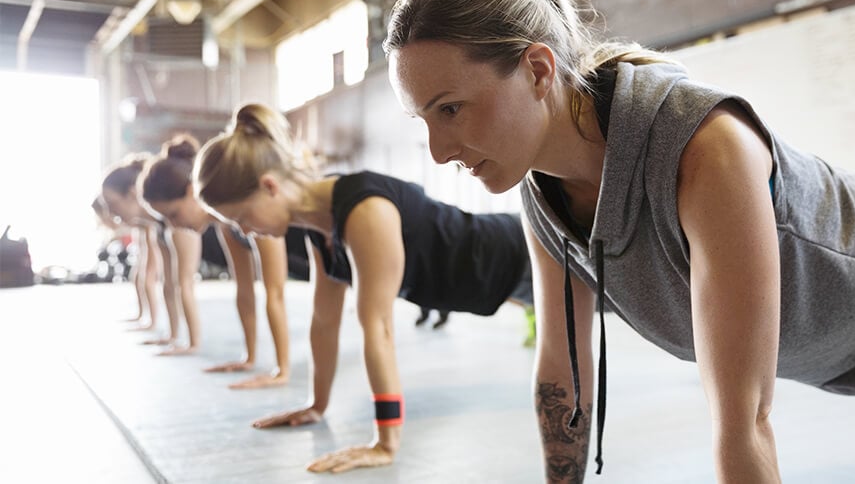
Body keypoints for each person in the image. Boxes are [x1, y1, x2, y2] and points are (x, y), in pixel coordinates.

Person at [383, 0, 855, 482]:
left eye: (451, 108)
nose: (439, 151)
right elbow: (563, 375)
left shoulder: (703, 150)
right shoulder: (540, 188)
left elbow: (742, 423)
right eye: (424, 120)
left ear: (539, 70)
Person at [192, 103, 535, 474]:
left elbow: (379, 328)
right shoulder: (320, 226)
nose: (246, 231)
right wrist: (316, 405)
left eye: (242, 218)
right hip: (503, 282)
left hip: (524, 255)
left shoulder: (365, 208)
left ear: (269, 186)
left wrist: (385, 442)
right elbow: (324, 321)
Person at [139, 134, 292, 388]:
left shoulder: (247, 203)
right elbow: (245, 290)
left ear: (191, 192)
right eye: (165, 220)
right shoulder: (224, 222)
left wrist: (281, 371)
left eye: (173, 214)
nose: (173, 226)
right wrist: (249, 358)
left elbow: (274, 292)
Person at [102, 155, 203, 355]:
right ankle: (175, 335)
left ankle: (193, 342)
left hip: (189, 239)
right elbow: (167, 284)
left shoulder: (177, 223)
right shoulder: (153, 225)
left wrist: (192, 346)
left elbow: (185, 284)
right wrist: (172, 338)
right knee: (170, 282)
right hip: (164, 232)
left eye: (113, 204)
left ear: (132, 195)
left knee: (183, 282)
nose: (113, 213)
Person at [92, 196, 161, 327]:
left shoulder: (137, 216)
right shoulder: (127, 220)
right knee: (137, 277)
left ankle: (152, 322)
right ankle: (143, 316)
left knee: (147, 279)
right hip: (144, 243)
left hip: (152, 242)